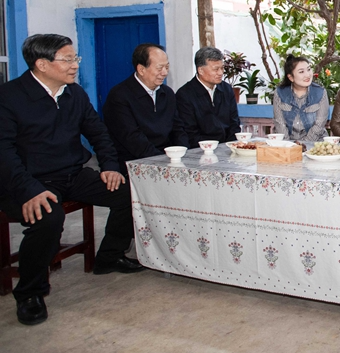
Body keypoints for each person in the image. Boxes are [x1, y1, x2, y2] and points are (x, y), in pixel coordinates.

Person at [0, 34, 144, 326]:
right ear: (42, 64)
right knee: (48, 217)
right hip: (27, 181)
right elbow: (4, 152)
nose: (75, 65)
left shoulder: (74, 93)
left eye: (75, 58)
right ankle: (30, 293)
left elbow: (98, 133)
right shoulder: (9, 97)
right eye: (67, 59)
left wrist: (110, 167)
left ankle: (109, 257)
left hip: (72, 174)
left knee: (131, 192)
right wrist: (29, 190)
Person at [102, 43, 177, 175]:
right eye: (159, 68)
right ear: (141, 69)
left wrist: (181, 155)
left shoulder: (167, 93)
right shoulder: (119, 96)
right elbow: (132, 138)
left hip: (167, 159)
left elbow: (177, 128)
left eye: (167, 67)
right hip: (135, 163)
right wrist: (163, 162)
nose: (165, 73)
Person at [173, 47, 240, 148]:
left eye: (222, 68)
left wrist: (230, 146)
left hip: (227, 147)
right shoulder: (185, 94)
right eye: (215, 69)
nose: (220, 73)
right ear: (200, 70)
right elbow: (189, 133)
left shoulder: (226, 89)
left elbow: (234, 123)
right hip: (200, 150)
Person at [273, 55, 329, 142]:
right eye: (301, 72)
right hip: (287, 143)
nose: (308, 75)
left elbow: (319, 125)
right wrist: (288, 146)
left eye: (309, 69)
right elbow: (280, 124)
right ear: (291, 77)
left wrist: (303, 145)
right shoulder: (280, 93)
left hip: (315, 143)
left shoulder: (320, 92)